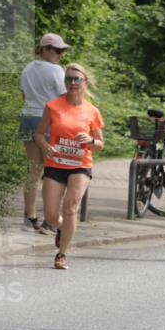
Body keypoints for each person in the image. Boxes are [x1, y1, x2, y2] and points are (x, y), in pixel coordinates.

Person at [34, 63, 104, 269]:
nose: (72, 83)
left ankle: (61, 254)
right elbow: (38, 134)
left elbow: (100, 144)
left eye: (76, 79)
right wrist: (46, 146)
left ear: (85, 82)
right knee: (51, 216)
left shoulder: (92, 111)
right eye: (68, 79)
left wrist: (90, 141)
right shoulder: (53, 106)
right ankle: (64, 229)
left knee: (71, 207)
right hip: (56, 164)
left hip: (80, 165)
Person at [19, 33, 70, 231]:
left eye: (62, 51)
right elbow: (64, 97)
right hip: (48, 121)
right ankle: (50, 220)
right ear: (45, 49)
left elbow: (24, 94)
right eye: (57, 50)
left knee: (33, 169)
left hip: (27, 118)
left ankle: (29, 217)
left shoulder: (27, 68)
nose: (60, 54)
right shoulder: (56, 71)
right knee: (53, 172)